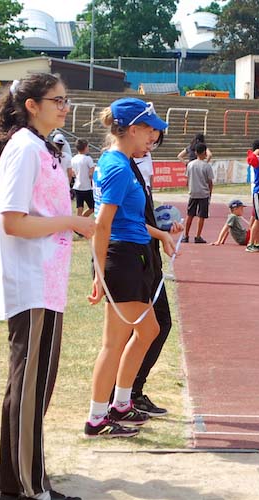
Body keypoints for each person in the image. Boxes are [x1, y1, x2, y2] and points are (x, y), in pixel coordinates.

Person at [0, 73, 92, 500]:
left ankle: (21, 484)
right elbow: (11, 220)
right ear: (31, 104)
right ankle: (30, 488)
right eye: (57, 100)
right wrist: (72, 222)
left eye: (65, 100)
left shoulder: (45, 148)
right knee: (30, 389)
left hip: (47, 282)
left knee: (32, 387)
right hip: (31, 283)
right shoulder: (24, 148)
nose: (64, 107)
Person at [85, 98, 169, 440]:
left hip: (133, 256)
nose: (154, 138)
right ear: (132, 129)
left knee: (148, 330)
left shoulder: (120, 163)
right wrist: (99, 273)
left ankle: (120, 404)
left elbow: (128, 219)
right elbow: (102, 224)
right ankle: (96, 418)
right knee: (113, 343)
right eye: (150, 131)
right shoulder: (118, 167)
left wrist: (161, 233)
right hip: (120, 260)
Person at [124, 129, 180, 419]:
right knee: (131, 332)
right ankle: (120, 397)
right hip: (132, 258)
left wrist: (163, 227)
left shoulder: (138, 165)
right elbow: (121, 220)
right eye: (150, 137)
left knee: (157, 325)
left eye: (156, 140)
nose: (151, 144)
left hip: (147, 255)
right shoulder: (120, 166)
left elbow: (141, 214)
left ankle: (129, 393)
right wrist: (159, 232)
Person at [182, 143, 213, 244]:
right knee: (201, 216)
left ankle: (185, 235)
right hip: (203, 193)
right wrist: (210, 194)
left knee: (190, 214)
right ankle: (198, 236)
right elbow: (210, 182)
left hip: (193, 192)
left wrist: (189, 188)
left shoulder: (190, 164)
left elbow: (187, 179)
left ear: (195, 152)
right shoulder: (207, 166)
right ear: (204, 152)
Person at [70, 139, 95, 216]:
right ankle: (83, 219)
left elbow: (72, 172)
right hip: (86, 187)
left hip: (77, 186)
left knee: (79, 207)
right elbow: (91, 171)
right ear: (85, 147)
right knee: (93, 207)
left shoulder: (73, 159)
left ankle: (79, 223)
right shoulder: (88, 159)